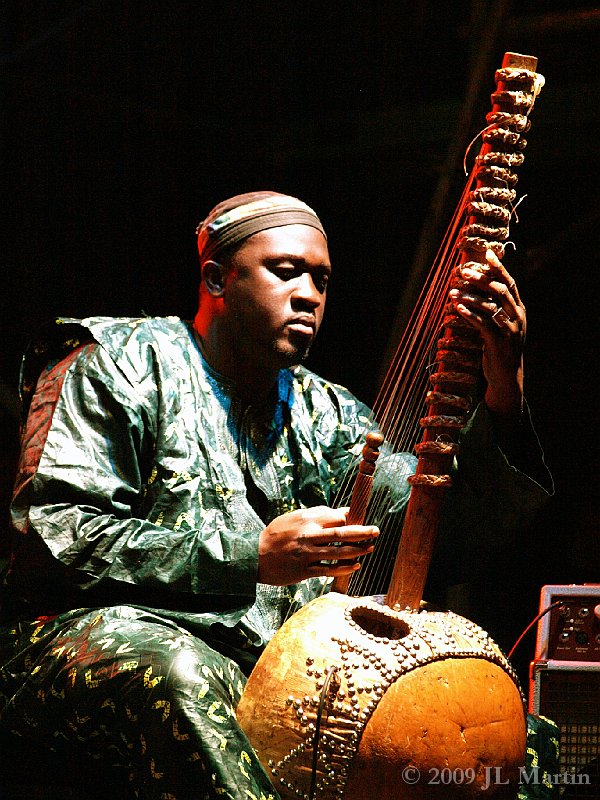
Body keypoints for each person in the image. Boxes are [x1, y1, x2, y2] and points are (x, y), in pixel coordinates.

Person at [0, 191, 551, 799]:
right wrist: (250, 555)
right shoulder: (116, 364)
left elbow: (441, 535)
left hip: (275, 665)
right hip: (87, 640)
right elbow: (54, 537)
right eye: (286, 272)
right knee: (183, 674)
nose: (309, 295)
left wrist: (504, 382)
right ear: (216, 278)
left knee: (500, 727)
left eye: (321, 280)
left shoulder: (328, 412)